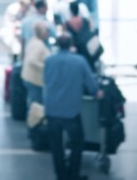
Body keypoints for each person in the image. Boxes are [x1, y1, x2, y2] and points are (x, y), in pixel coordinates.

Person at [43, 34, 101, 180]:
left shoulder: (49, 60)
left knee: (56, 147)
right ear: (71, 45)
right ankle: (73, 175)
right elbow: (91, 84)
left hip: (52, 109)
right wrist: (97, 92)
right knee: (77, 143)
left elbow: (46, 80)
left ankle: (61, 175)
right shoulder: (79, 61)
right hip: (71, 111)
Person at [22, 21, 51, 107]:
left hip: (28, 77)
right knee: (36, 104)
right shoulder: (39, 45)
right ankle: (34, 119)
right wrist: (46, 67)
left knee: (33, 102)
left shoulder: (33, 41)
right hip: (35, 80)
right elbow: (32, 60)